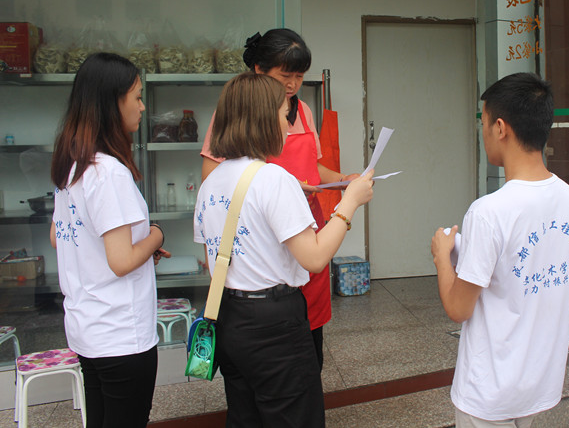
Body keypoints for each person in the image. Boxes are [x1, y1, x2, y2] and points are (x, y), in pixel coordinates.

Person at [194, 72, 373, 427]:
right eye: (282, 113)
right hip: (275, 326)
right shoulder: (273, 179)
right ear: (262, 120)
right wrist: (349, 203)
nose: (287, 124)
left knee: (245, 417)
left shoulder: (210, 183)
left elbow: (213, 261)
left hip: (229, 317)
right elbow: (315, 258)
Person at [430, 72, 569, 427]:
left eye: (484, 123)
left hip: (488, 393)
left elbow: (458, 308)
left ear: (501, 128)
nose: (483, 132)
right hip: (538, 386)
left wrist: (443, 257)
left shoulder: (488, 212)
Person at [200, 28, 357, 369]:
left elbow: (315, 166)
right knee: (276, 332)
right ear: (259, 70)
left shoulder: (304, 111)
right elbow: (213, 178)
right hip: (263, 237)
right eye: (285, 76)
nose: (293, 85)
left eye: (299, 77)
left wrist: (344, 180)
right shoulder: (237, 114)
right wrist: (282, 187)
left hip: (306, 226)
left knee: (308, 329)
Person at [50, 52, 169, 428]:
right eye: (137, 96)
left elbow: (59, 237)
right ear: (111, 103)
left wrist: (140, 247)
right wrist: (155, 236)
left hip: (87, 328)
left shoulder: (72, 164)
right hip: (120, 333)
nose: (142, 106)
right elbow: (121, 261)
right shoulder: (108, 172)